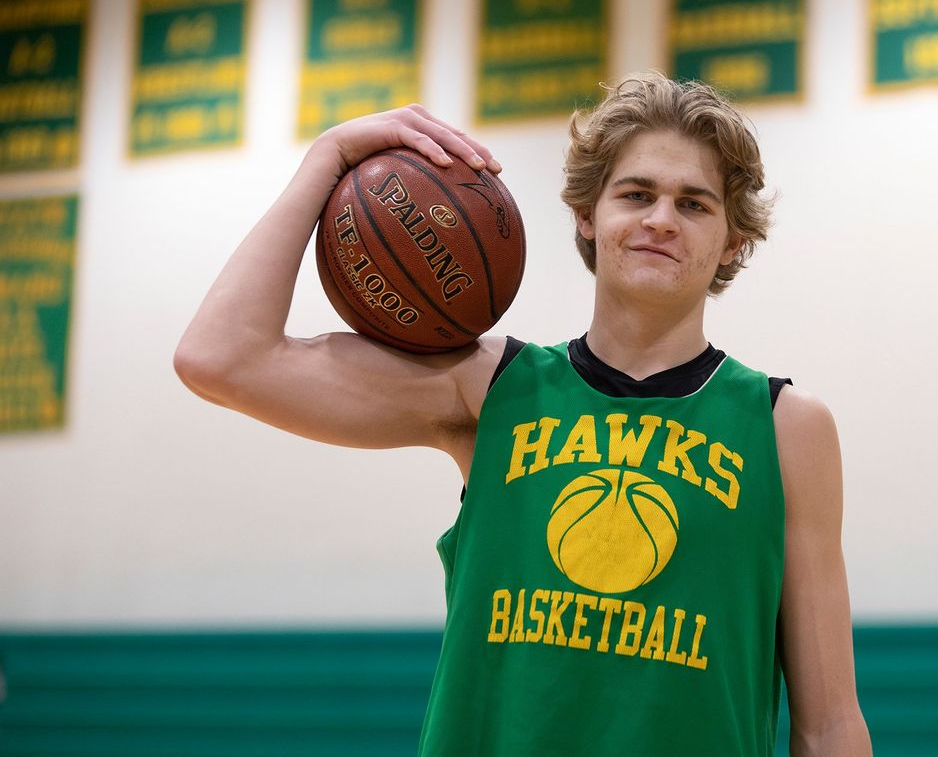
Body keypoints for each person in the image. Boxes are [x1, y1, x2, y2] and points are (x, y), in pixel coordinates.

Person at [175, 71, 871, 756]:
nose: (661, 218)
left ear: (732, 241)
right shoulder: (487, 390)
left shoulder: (785, 427)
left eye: (694, 204)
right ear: (588, 215)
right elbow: (220, 358)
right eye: (637, 194)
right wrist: (327, 158)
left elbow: (829, 725)